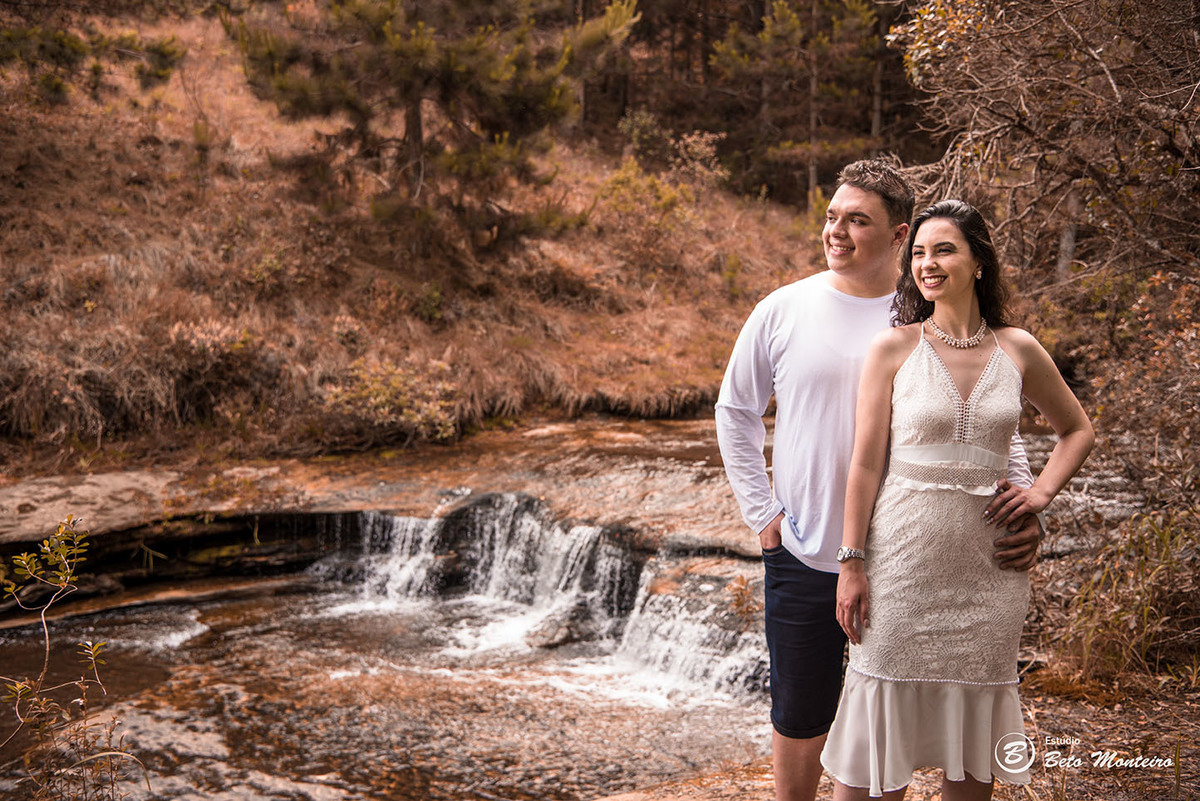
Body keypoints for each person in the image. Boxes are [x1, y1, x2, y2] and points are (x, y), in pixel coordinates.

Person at [715, 160, 1045, 801]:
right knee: (801, 711)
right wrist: (763, 514)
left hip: (909, 559)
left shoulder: (931, 312)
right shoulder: (783, 308)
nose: (835, 231)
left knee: (898, 711)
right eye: (832, 216)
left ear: (898, 236)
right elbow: (735, 411)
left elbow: (986, 414)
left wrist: (1025, 505)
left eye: (856, 220)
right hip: (809, 547)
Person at [820, 200, 1095, 800]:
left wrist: (1039, 495)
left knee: (973, 758)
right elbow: (865, 464)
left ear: (978, 262)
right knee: (873, 751)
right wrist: (851, 561)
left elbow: (1078, 430)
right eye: (918, 252)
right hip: (902, 564)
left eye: (943, 249)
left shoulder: (1018, 348)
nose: (927, 263)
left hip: (990, 576)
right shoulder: (892, 348)